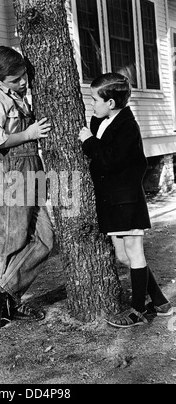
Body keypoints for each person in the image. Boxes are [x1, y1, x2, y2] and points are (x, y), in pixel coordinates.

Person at [78, 72, 173, 328]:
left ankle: (138, 310)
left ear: (110, 103)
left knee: (135, 252)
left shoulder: (127, 126)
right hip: (112, 201)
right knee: (123, 256)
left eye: (95, 100)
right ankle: (160, 302)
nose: (92, 105)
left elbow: (109, 159)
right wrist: (93, 135)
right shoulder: (102, 120)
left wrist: (88, 143)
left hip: (127, 200)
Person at [0, 45, 54, 329]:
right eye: (15, 80)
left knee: (46, 238)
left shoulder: (19, 97)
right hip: (10, 170)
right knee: (13, 238)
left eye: (24, 76)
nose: (23, 82)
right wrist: (28, 133)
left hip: (32, 168)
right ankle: (8, 304)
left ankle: (3, 290)